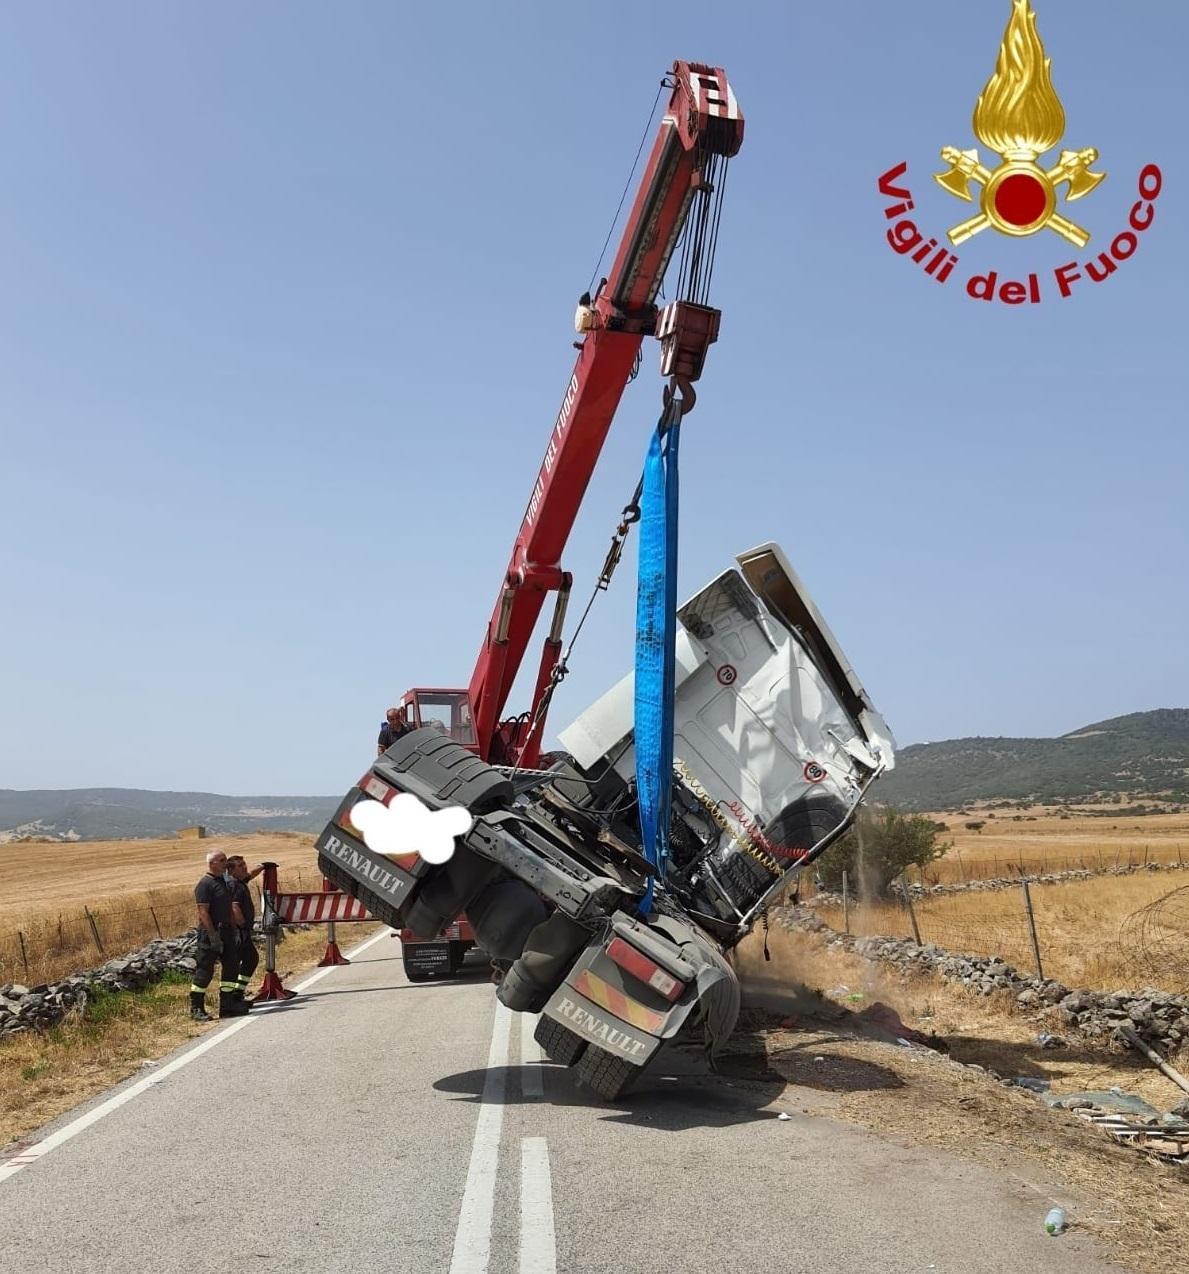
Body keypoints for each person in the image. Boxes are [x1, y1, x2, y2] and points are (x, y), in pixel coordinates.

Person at [190, 849, 247, 1021]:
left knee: (231, 968)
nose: (225, 863)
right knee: (204, 972)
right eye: (222, 860)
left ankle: (227, 1006)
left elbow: (229, 907)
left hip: (227, 932)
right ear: (212, 863)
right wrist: (213, 936)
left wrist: (234, 929)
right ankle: (196, 1008)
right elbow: (203, 912)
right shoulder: (205, 884)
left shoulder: (223, 881)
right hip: (211, 934)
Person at [226, 855, 266, 1006]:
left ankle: (237, 993)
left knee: (249, 959)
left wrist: (262, 866)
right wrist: (242, 926)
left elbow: (250, 874)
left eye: (244, 864)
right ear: (231, 870)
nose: (244, 867)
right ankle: (234, 995)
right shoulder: (234, 884)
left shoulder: (238, 880)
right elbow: (234, 906)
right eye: (240, 865)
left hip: (240, 931)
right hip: (238, 931)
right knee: (247, 960)